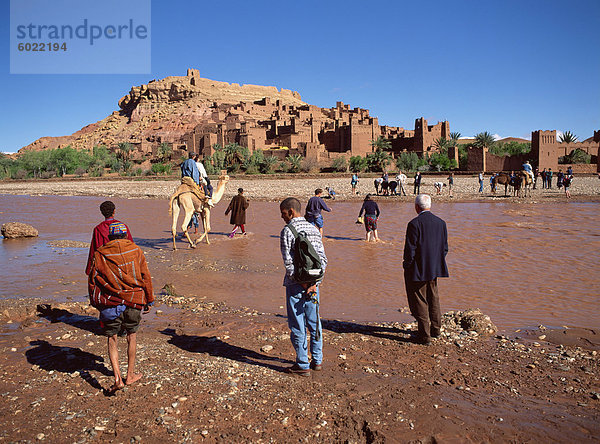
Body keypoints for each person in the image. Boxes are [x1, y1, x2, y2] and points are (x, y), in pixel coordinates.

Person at [88, 222, 154, 393]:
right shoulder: (136, 251)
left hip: (110, 302)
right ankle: (130, 375)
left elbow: (93, 280)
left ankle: (118, 378)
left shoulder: (100, 254)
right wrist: (149, 299)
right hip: (134, 299)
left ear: (109, 237)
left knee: (112, 339)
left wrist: (95, 302)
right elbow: (145, 276)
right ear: (125, 236)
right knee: (132, 336)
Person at [279, 197, 327, 376]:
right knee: (315, 323)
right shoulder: (314, 229)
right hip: (314, 285)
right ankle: (317, 360)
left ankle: (302, 364)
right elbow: (323, 260)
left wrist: (303, 283)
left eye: (283, 214)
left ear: (291, 212)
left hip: (295, 286)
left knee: (298, 324)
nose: (282, 217)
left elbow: (289, 264)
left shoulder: (287, 230)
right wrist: (314, 284)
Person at [403, 194, 449, 345]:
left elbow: (410, 250)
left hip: (417, 269)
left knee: (420, 301)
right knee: (433, 298)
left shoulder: (414, 224)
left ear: (417, 207)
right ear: (429, 206)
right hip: (435, 268)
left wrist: (407, 265)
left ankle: (424, 336)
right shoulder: (441, 223)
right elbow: (444, 249)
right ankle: (436, 329)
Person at [85, 201, 133, 275]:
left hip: (106, 265)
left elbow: (93, 250)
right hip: (123, 264)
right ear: (114, 211)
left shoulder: (98, 229)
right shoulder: (123, 226)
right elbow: (130, 245)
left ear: (102, 213)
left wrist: (89, 270)